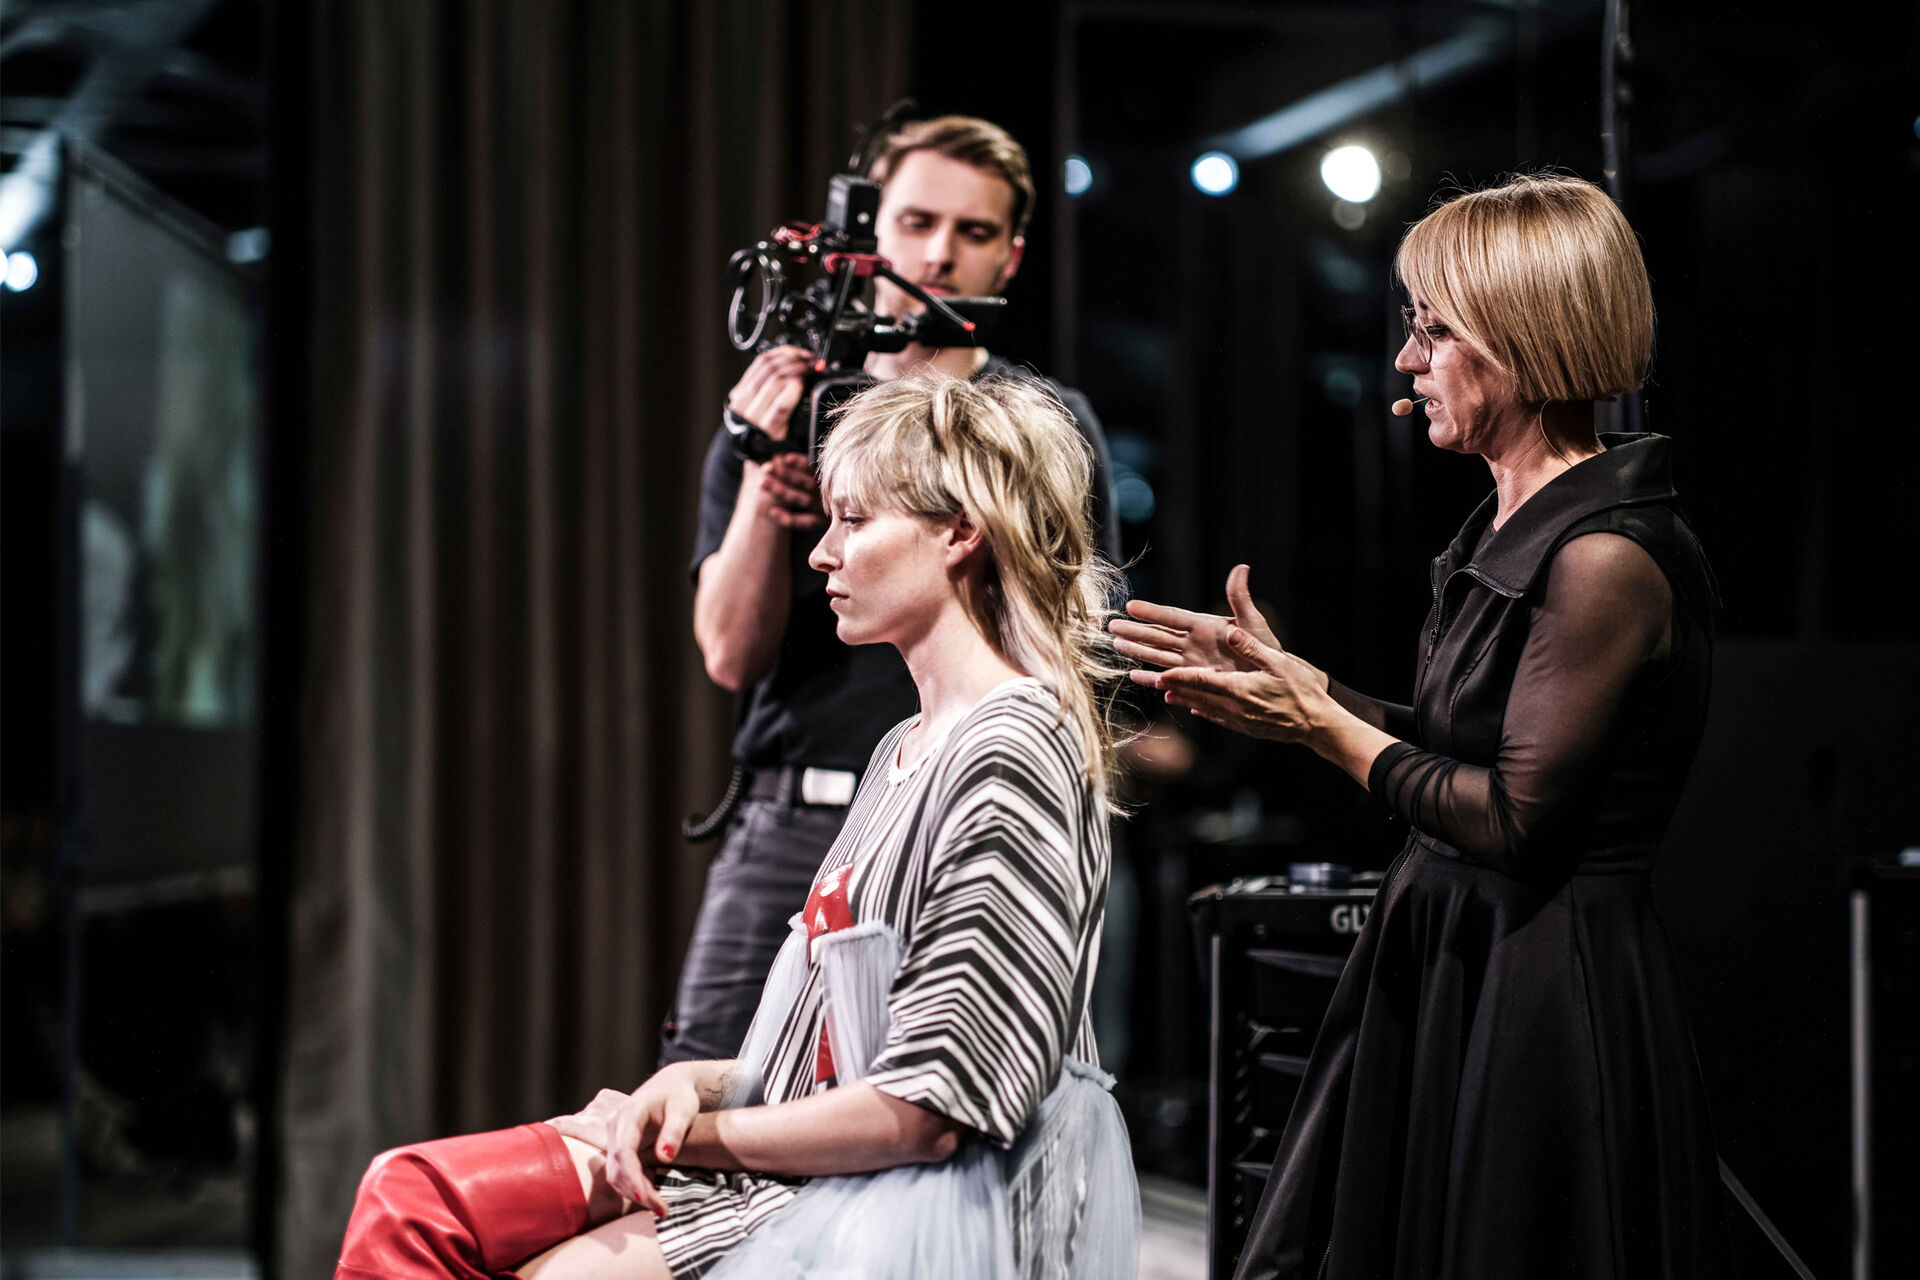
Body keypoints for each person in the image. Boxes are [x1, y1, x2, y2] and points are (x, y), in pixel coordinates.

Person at [334, 372, 1138, 1280]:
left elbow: (930, 1108)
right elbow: (833, 1053)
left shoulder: (1013, 747)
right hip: (820, 1178)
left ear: (961, 532)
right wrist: (690, 1082)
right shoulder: (906, 746)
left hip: (894, 1205)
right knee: (409, 1194)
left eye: (855, 521)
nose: (821, 555)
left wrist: (690, 1134)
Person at [1112, 173, 1729, 1278]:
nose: (1406, 360)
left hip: (1539, 991)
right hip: (1458, 954)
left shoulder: (1606, 555)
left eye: (1434, 331)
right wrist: (1298, 687)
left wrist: (1320, 725)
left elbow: (1514, 816)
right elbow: (1463, 743)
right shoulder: (1513, 524)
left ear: (1526, 338)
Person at [668, 114, 1121, 1067]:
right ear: (869, 234)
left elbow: (1076, 636)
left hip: (966, 799)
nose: (939, 254)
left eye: (973, 231)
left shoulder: (1035, 427)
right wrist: (763, 480)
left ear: (1011, 256)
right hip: (796, 817)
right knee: (711, 1085)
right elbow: (730, 655)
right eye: (917, 223)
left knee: (949, 1082)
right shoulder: (784, 411)